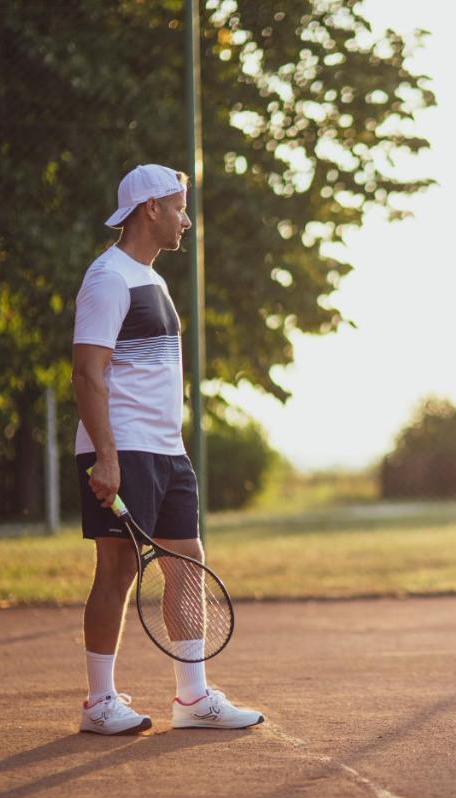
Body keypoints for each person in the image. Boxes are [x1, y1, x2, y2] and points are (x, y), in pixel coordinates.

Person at [71, 163, 263, 734]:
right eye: (179, 207)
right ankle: (99, 703)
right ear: (150, 209)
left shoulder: (152, 279)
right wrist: (106, 457)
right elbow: (87, 372)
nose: (186, 218)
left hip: (165, 449)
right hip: (124, 447)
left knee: (187, 562)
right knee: (118, 569)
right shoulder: (108, 278)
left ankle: (192, 697)